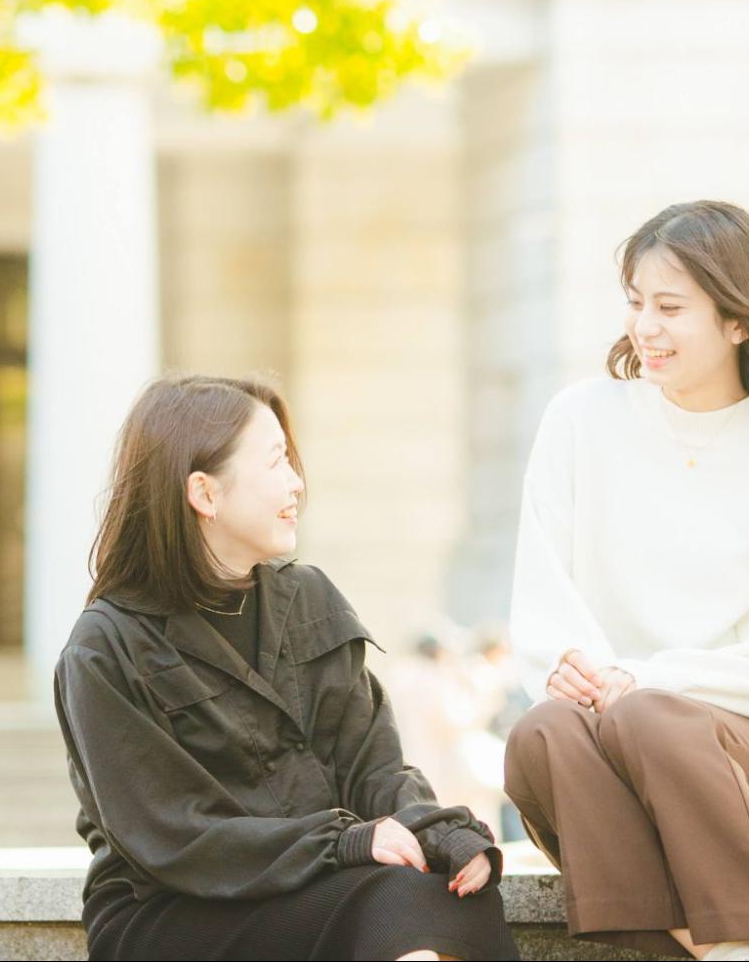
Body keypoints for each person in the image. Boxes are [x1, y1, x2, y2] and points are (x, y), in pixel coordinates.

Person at [55, 374, 518, 961]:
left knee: (462, 890)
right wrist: (342, 844)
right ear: (204, 493)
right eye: (275, 463)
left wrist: (441, 832)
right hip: (172, 911)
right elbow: (175, 835)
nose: (296, 483)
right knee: (398, 899)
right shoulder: (106, 644)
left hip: (316, 882)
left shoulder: (309, 601)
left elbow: (371, 768)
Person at [504, 200, 749, 962]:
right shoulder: (578, 421)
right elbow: (542, 606)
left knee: (651, 718)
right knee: (539, 733)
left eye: (670, 307)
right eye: (635, 303)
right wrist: (608, 686)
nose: (644, 327)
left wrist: (644, 682)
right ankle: (722, 951)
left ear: (737, 319)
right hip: (600, 744)